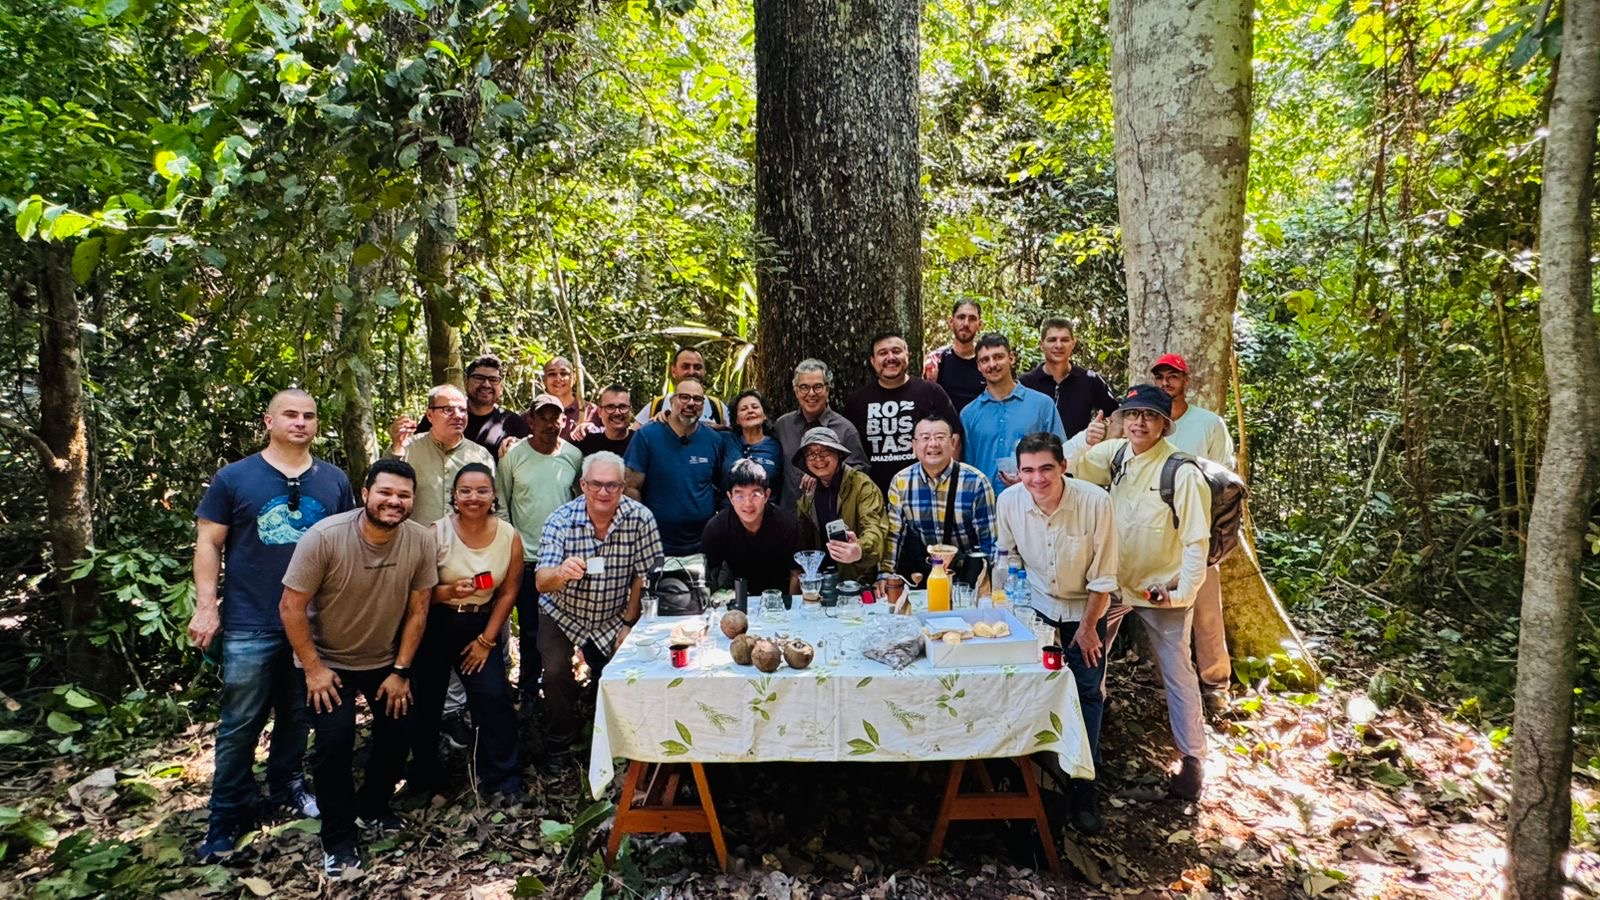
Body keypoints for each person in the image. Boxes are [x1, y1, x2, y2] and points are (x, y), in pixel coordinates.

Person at [189, 389, 354, 862]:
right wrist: (207, 606)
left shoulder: (333, 479)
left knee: (299, 712)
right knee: (240, 722)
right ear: (269, 421)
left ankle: (287, 786)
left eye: (309, 415)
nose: (300, 423)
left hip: (313, 623)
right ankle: (226, 817)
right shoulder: (235, 478)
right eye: (290, 415)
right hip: (251, 620)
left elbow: (344, 546)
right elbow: (208, 544)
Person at [278, 458, 437, 879]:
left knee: (401, 728)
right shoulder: (325, 537)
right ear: (365, 493)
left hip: (384, 658)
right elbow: (291, 606)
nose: (394, 501)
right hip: (326, 661)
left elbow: (419, 611)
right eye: (385, 492)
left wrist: (401, 670)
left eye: (404, 495)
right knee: (335, 740)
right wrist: (313, 669)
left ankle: (373, 807)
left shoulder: (420, 541)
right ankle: (339, 838)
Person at [1066, 384, 1211, 801]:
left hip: (1160, 588)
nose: (1139, 423)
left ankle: (1192, 761)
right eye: (1132, 415)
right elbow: (1070, 463)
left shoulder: (1181, 472)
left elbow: (1196, 541)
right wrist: (1083, 440)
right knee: (1093, 654)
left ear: (1165, 424)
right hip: (1113, 583)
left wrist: (1182, 592)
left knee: (1176, 671)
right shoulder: (1115, 456)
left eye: (1149, 416)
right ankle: (1093, 734)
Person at [995, 433, 1117, 834]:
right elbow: (1008, 557)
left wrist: (1086, 630)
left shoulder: (1095, 502)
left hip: (1085, 609)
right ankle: (1033, 776)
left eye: (1046, 468)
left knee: (1086, 693)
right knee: (1031, 688)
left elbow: (1104, 577)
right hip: (1036, 608)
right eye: (1028, 470)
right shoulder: (1009, 501)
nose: (1037, 479)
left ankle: (1085, 784)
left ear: (1063, 466)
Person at [535, 452, 664, 773]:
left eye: (612, 485)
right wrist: (561, 572)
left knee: (626, 674)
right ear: (582, 485)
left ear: (623, 486)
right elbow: (540, 582)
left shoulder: (640, 518)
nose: (604, 493)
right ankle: (559, 743)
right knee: (554, 674)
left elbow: (645, 574)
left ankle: (622, 742)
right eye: (596, 485)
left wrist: (628, 623)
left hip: (613, 614)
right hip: (562, 612)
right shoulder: (560, 520)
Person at [410, 464, 523, 802]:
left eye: (482, 491)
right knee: (426, 703)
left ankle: (502, 779)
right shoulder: (435, 533)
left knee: (493, 698)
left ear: (494, 496)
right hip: (435, 624)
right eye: (466, 491)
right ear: (455, 497)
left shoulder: (508, 536)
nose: (474, 498)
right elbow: (417, 591)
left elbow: (508, 592)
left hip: (480, 626)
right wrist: (447, 592)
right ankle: (427, 779)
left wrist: (487, 641)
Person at [1151, 352, 1236, 714]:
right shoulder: (1148, 422)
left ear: (1186, 381)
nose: (1166, 383)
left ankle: (1216, 684)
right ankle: (1168, 682)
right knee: (1160, 610)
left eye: (1173, 376)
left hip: (1197, 531)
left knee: (1205, 610)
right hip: (1155, 535)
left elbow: (1225, 477)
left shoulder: (1208, 423)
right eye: (1160, 377)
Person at [496, 394, 583, 717]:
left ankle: (566, 686)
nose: (550, 424)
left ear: (564, 421)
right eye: (542, 417)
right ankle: (529, 690)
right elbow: (502, 501)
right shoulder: (513, 457)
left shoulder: (573, 455)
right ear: (530, 421)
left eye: (556, 417)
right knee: (531, 629)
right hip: (528, 559)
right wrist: (513, 544)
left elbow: (580, 499)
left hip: (566, 562)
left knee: (568, 626)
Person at [880, 415, 996, 583]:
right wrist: (885, 575)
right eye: (925, 438)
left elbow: (989, 542)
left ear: (953, 443)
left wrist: (986, 583)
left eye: (940, 437)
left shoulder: (976, 482)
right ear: (913, 446)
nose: (933, 444)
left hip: (968, 574)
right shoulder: (901, 482)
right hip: (926, 573)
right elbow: (894, 536)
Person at [844, 331, 963, 494]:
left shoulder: (930, 392)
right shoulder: (857, 401)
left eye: (896, 351)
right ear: (873, 361)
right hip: (873, 498)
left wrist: (946, 483)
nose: (890, 357)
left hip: (927, 494)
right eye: (883, 353)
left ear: (907, 355)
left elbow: (954, 437)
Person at [623, 377, 727, 557]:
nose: (690, 403)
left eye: (697, 399)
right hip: (656, 543)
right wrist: (641, 532)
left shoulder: (714, 440)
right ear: (672, 402)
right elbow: (630, 487)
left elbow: (720, 487)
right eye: (684, 397)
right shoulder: (647, 436)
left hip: (703, 544)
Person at [960, 332, 1066, 490]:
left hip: (1034, 500)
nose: (992, 364)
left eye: (998, 357)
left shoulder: (1042, 405)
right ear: (978, 366)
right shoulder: (969, 414)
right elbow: (967, 468)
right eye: (985, 360)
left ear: (1011, 358)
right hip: (986, 506)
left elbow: (1060, 455)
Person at [388, 384, 498, 526]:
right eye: (448, 410)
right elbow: (381, 487)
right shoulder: (408, 448)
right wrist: (396, 446)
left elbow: (494, 506)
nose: (458, 415)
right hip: (417, 541)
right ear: (429, 415)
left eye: (463, 410)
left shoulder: (481, 455)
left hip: (465, 543)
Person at [792, 426, 887, 585]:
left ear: (839, 454)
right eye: (811, 454)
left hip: (858, 581)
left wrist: (859, 549)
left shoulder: (862, 486)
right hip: (821, 582)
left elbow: (875, 528)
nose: (818, 459)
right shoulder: (808, 493)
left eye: (825, 451)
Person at [772, 359, 867, 511]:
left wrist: (825, 473)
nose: (811, 394)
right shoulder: (782, 426)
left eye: (817, 387)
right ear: (796, 391)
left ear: (827, 390)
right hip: (789, 518)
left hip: (830, 518)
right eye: (804, 387)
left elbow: (860, 472)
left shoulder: (845, 429)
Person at [700, 460, 802, 594]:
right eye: (739, 495)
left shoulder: (787, 525)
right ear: (730, 497)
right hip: (735, 590)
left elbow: (796, 573)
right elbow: (709, 573)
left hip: (780, 592)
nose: (747, 504)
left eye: (755, 494)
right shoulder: (717, 527)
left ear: (766, 495)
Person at [1020, 318, 1121, 438]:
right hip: (1036, 454)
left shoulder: (1089, 380)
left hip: (1078, 454)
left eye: (1065, 340)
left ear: (1073, 343)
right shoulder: (1025, 383)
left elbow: (1118, 415)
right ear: (1041, 345)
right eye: (1052, 340)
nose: (1059, 345)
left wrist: (1106, 446)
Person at [412, 356, 529, 457]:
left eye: (493, 379)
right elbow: (416, 449)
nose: (486, 384)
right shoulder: (443, 415)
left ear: (501, 387)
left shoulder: (513, 422)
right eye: (479, 378)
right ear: (466, 382)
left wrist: (517, 445)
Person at [635, 348, 731, 427]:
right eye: (685, 367)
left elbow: (737, 436)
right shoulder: (658, 405)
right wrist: (653, 425)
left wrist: (719, 430)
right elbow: (632, 435)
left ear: (704, 371)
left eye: (697, 367)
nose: (692, 372)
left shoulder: (716, 407)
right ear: (673, 371)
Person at [921, 300, 987, 412]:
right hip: (946, 426)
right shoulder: (937, 359)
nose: (966, 324)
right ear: (951, 322)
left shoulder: (986, 360)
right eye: (961, 317)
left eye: (972, 319)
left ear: (979, 325)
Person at [725, 389, 784, 504]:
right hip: (729, 516)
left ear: (765, 415)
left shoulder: (776, 446)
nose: (750, 411)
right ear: (736, 419)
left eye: (755, 407)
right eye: (743, 409)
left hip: (766, 516)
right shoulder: (725, 440)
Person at [541, 356, 595, 444]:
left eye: (564, 373)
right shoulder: (532, 415)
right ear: (544, 380)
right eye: (552, 374)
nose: (558, 379)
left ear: (574, 378)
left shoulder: (592, 411)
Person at [576, 383, 636, 458]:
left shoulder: (642, 443)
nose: (617, 412)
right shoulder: (587, 443)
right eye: (610, 407)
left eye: (623, 406)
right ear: (599, 412)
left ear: (630, 410)